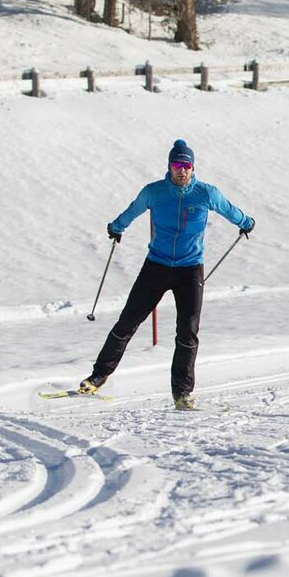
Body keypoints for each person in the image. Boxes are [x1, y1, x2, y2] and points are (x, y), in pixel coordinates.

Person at [80, 139, 254, 410]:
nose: (181, 171)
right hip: (157, 266)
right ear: (169, 167)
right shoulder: (155, 192)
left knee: (188, 332)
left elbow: (229, 209)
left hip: (190, 269)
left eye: (186, 166)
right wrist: (116, 227)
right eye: (176, 165)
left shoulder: (206, 194)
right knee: (128, 322)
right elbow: (132, 210)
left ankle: (182, 393)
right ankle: (98, 375)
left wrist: (246, 222)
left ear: (193, 168)